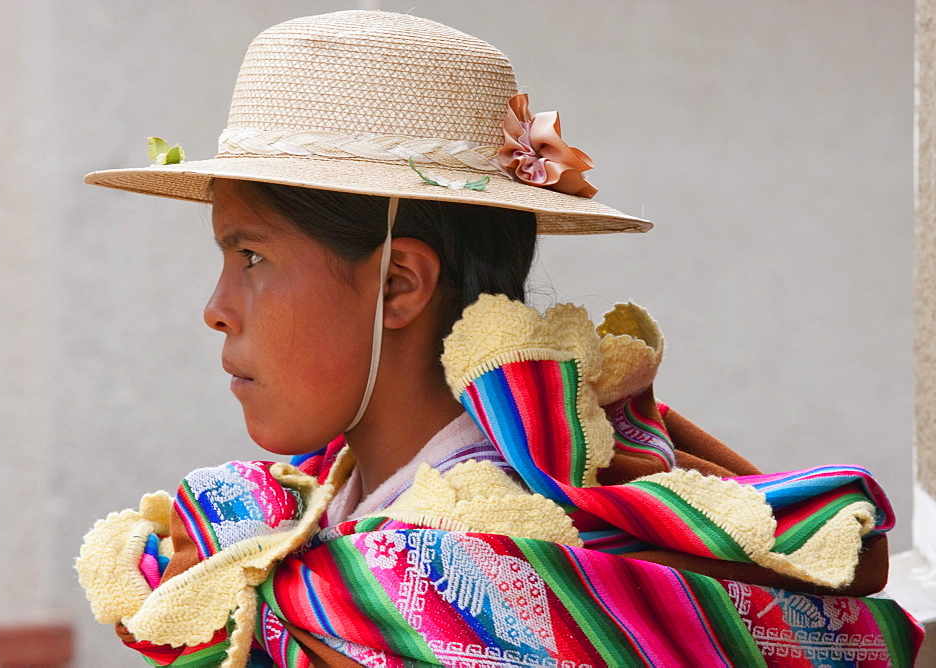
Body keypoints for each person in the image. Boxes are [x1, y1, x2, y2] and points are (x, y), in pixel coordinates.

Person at [76, 10, 923, 667]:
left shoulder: (505, 572)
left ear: (399, 285)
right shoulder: (288, 522)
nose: (217, 307)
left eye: (251, 256)